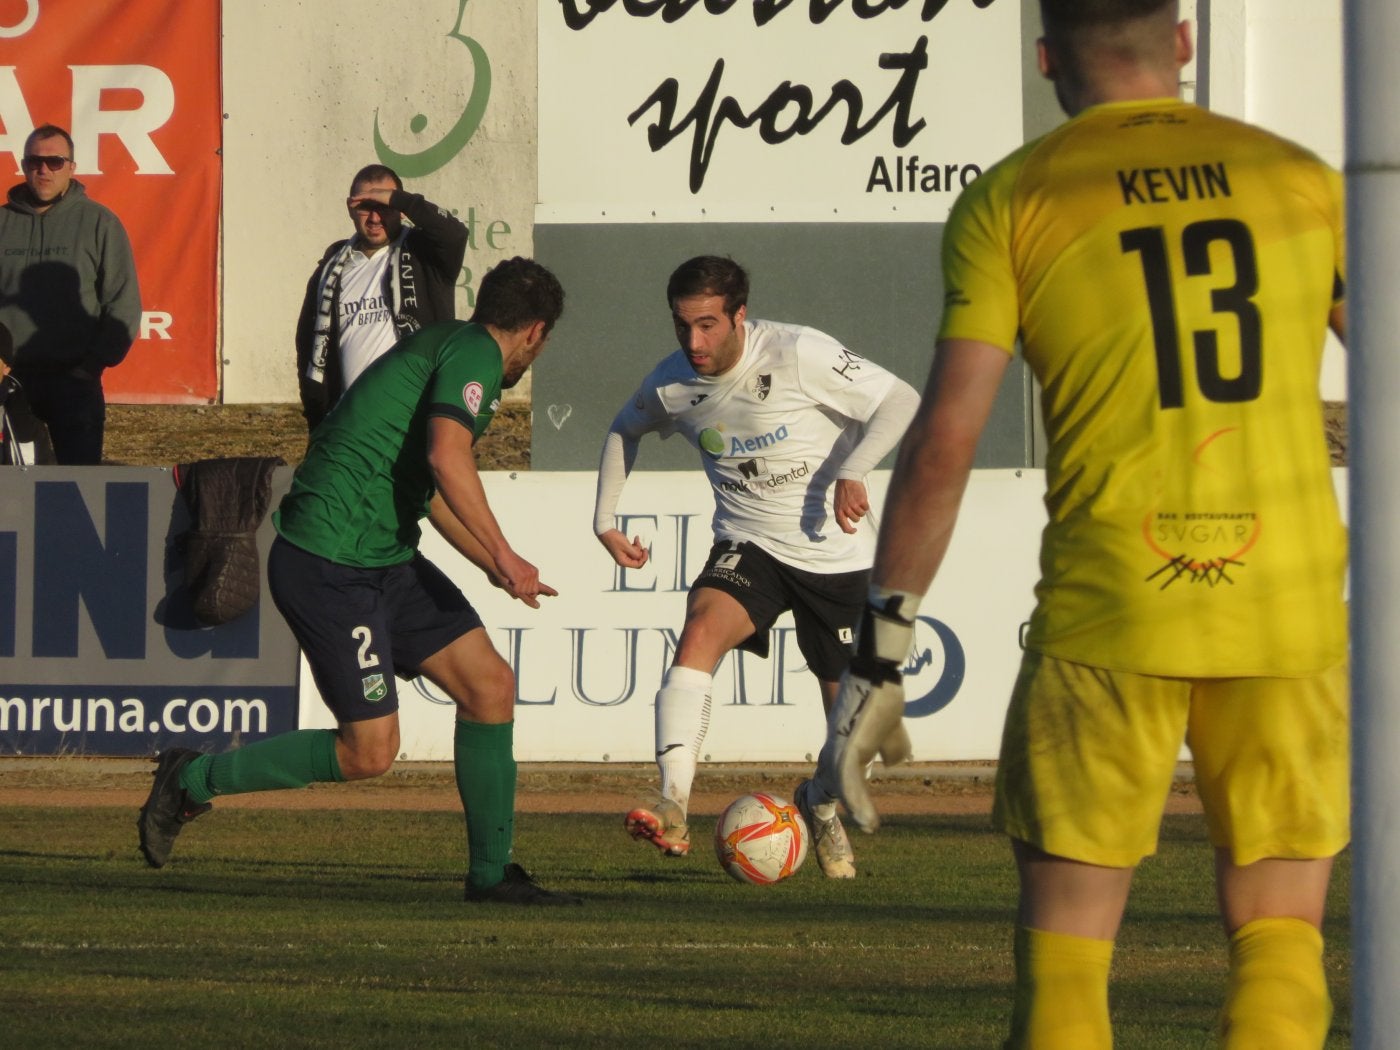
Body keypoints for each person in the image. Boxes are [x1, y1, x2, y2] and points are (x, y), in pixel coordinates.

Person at [821, 2, 1348, 1045]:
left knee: (1067, 964)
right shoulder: (1296, 179)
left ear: (1046, 59)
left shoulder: (1014, 198)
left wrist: (877, 659)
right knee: (1281, 942)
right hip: (1285, 610)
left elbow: (943, 444)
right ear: (1182, 43)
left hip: (1108, 609)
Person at [138, 256, 580, 906]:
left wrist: (491, 564)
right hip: (331, 563)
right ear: (536, 332)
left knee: (490, 686)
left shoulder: (444, 346)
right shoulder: (476, 356)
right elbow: (447, 456)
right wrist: (507, 553)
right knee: (369, 752)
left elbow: (426, 490)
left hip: (382, 558)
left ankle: (491, 877)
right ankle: (193, 778)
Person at [593, 255, 920, 879]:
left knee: (855, 750)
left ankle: (817, 806)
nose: (695, 342)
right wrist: (605, 520)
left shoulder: (799, 354)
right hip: (751, 545)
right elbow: (622, 429)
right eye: (683, 326)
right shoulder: (670, 384)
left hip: (838, 559)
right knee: (699, 634)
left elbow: (900, 398)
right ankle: (672, 802)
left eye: (710, 325)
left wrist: (854, 470)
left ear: (741, 315)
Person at [0, 124, 141, 464]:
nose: (44, 170)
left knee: (80, 485)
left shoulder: (99, 222)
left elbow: (123, 302)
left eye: (55, 161)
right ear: (23, 164)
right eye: (34, 161)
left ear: (72, 168)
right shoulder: (2, 223)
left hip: (75, 381)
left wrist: (91, 365)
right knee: (14, 489)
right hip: (11, 380)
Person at [295, 163, 469, 431]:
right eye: (366, 206)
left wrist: (398, 199)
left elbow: (455, 233)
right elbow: (308, 347)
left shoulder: (427, 255)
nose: (375, 217)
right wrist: (318, 420)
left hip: (412, 419)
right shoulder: (329, 270)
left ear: (399, 208)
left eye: (384, 206)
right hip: (349, 424)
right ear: (350, 208)